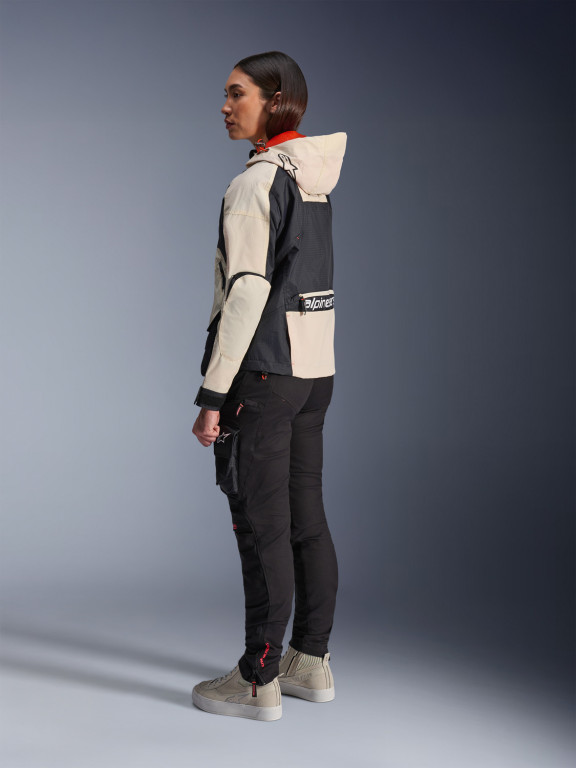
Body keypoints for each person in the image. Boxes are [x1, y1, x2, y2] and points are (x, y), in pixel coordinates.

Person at [191, 51, 347, 721]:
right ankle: (309, 661)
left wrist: (212, 395)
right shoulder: (312, 179)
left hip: (262, 374)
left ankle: (258, 678)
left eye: (237, 94)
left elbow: (249, 290)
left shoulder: (256, 183)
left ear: (275, 99)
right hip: (314, 374)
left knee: (262, 526)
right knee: (306, 520)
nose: (225, 107)